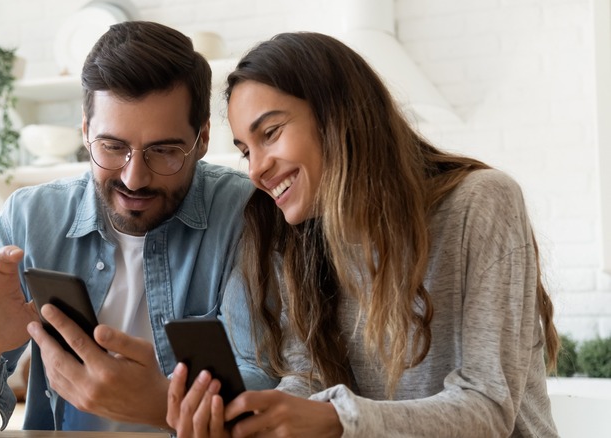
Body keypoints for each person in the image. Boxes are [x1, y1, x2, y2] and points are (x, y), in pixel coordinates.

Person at [166, 31, 560, 437]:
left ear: (337, 114)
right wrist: (258, 419)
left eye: (270, 133)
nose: (255, 170)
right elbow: (310, 381)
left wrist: (337, 419)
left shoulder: (481, 203)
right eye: (246, 151)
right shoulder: (299, 242)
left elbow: (489, 407)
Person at [0, 21, 276, 433]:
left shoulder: (248, 215)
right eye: (112, 147)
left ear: (202, 138)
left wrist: (161, 403)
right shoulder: (29, 220)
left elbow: (267, 387)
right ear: (85, 132)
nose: (134, 178)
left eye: (164, 151)